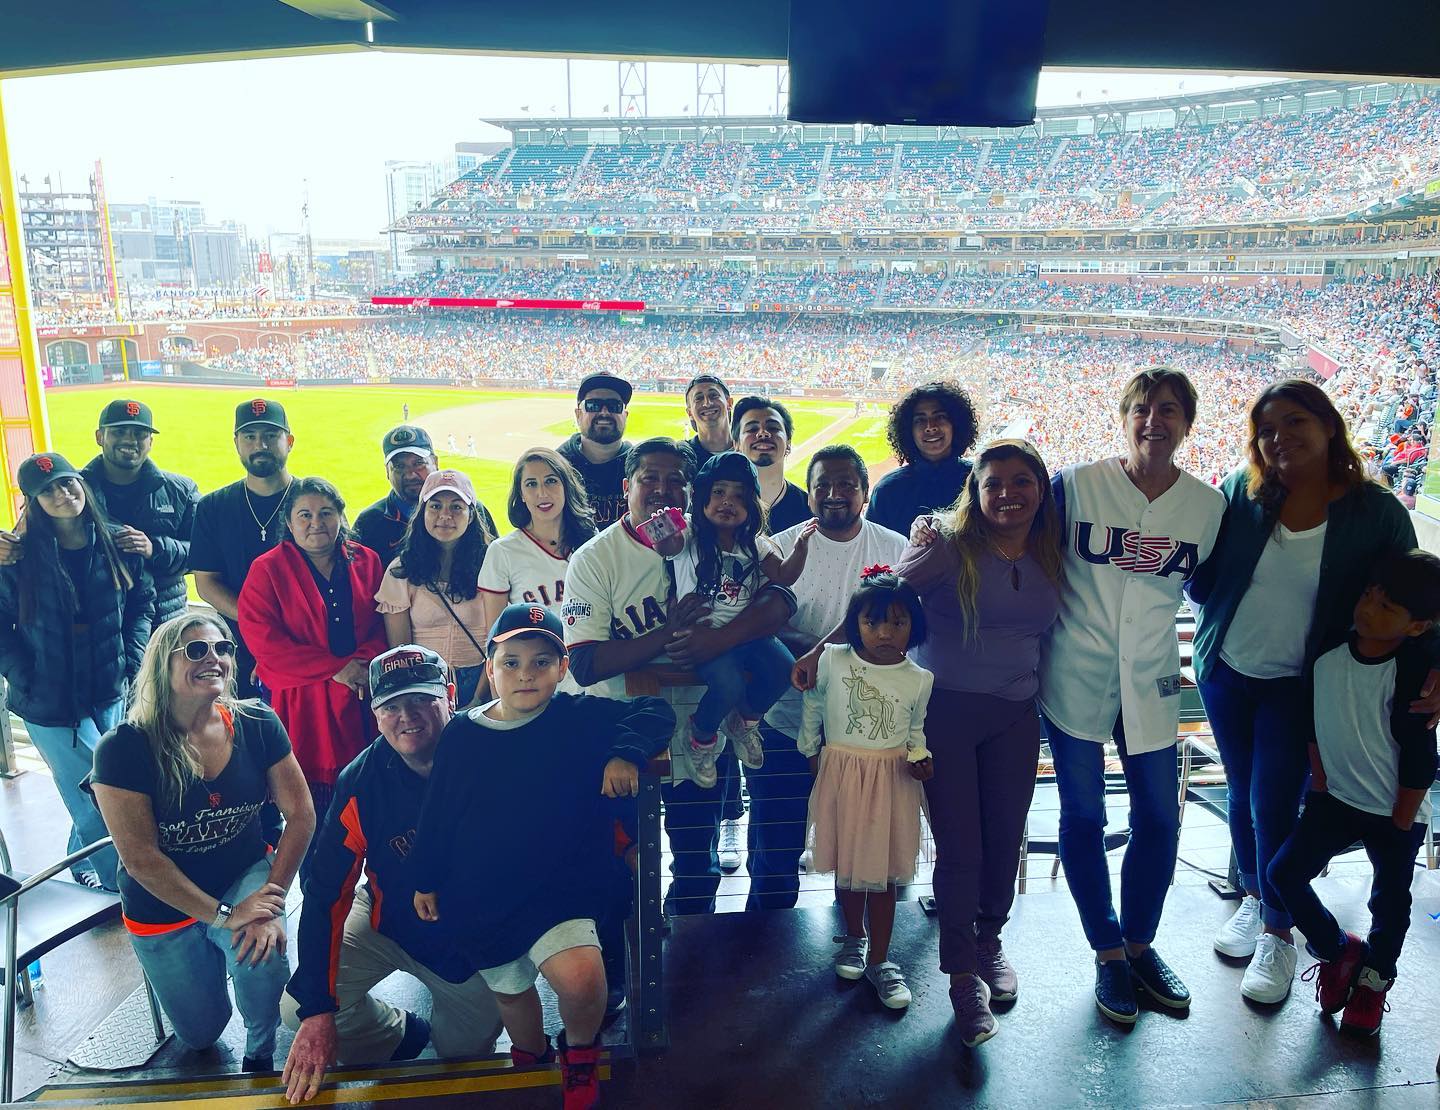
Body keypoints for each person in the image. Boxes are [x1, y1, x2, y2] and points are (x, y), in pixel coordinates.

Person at [1191, 379, 1437, 1005]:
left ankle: (1279, 932)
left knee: (1273, 803)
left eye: (1295, 422)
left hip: (1300, 685)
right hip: (1226, 670)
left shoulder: (1375, 511)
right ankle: (1256, 896)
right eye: (1267, 429)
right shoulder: (1242, 491)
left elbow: (1421, 591)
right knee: (1242, 793)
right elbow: (1204, 576)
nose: (1280, 438)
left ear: (1329, 426)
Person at [411, 604, 673, 1110]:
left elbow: (655, 712)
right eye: (511, 662)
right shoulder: (462, 734)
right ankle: (530, 1055)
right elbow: (438, 812)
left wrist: (625, 752)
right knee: (511, 992)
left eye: (541, 662)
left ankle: (580, 1053)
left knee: (583, 979)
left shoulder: (578, 716)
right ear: (490, 670)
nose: (525, 674)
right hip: (482, 895)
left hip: (560, 888)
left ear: (563, 669)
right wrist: (426, 878)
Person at [1036, 368, 1224, 1025]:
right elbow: (1018, 550)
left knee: (1161, 820)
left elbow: (1208, 589)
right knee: (1083, 817)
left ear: (1187, 423)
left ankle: (1140, 944)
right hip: (1074, 671)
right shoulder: (1075, 485)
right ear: (1123, 418)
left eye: (1168, 409)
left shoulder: (1208, 507)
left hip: (1152, 676)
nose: (1153, 421)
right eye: (1141, 408)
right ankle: (1108, 951)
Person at [562, 438, 796, 916]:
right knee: (621, 860)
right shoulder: (595, 558)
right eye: (649, 478)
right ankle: (627, 955)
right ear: (627, 487)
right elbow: (585, 665)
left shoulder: (712, 532)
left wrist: (721, 638)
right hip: (623, 732)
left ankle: (690, 957)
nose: (662, 489)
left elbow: (783, 599)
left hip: (700, 728)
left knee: (696, 865)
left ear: (692, 491)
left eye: (676, 481)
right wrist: (668, 634)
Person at [886, 439, 1064, 1044]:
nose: (1008, 493)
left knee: (1004, 839)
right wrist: (819, 655)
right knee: (961, 848)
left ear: (1041, 489)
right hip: (945, 715)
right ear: (976, 492)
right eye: (994, 484)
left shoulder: (1052, 547)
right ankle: (962, 977)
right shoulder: (945, 546)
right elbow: (881, 598)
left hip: (1016, 716)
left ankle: (990, 941)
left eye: (1021, 481)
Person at [89, 614, 314, 1074]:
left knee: (263, 954)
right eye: (196, 650)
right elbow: (141, 860)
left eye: (223, 648)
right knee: (201, 1033)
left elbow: (302, 815)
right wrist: (224, 916)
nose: (214, 657)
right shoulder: (123, 748)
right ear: (162, 665)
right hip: (161, 903)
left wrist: (270, 899)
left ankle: (260, 1053)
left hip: (241, 873)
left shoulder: (256, 721)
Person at [280, 645, 503, 1103]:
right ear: (375, 713)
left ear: (450, 695)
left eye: (421, 699)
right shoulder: (361, 780)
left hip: (471, 945)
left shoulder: (494, 751)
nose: (407, 716)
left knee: (463, 1055)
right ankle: (401, 1033)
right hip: (388, 921)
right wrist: (318, 1010)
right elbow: (324, 892)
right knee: (298, 1008)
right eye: (391, 705)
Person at [1268, 551, 1440, 1039]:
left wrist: (1402, 821)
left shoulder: (1413, 671)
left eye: (1387, 608)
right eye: (1369, 596)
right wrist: (1320, 781)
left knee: (1389, 902)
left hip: (1394, 810)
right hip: (1336, 799)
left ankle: (1374, 982)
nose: (1368, 610)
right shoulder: (1328, 652)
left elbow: (1420, 754)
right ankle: (1338, 950)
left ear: (1417, 626)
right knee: (1283, 873)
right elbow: (1313, 721)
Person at [0, 452, 154, 891]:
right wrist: (26, 676)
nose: (62, 493)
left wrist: (131, 659)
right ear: (34, 501)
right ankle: (115, 884)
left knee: (100, 780)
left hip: (108, 689)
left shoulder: (115, 541)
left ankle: (81, 862)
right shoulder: (17, 557)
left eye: (67, 483)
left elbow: (141, 603)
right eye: (48, 490)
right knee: (95, 793)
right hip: (49, 702)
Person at [772, 446, 908, 911]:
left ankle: (862, 937)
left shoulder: (894, 548)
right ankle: (765, 935)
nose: (834, 493)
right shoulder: (781, 547)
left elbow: (903, 627)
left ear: (865, 492)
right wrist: (820, 651)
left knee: (865, 845)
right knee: (776, 844)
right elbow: (760, 623)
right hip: (787, 719)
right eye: (823, 485)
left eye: (847, 484)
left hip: (870, 728)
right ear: (808, 495)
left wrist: (824, 653)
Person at [799, 569, 934, 1011]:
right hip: (842, 778)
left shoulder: (919, 678)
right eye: (872, 622)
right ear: (854, 623)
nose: (884, 632)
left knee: (884, 875)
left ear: (914, 625)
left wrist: (920, 758)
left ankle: (881, 958)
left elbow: (915, 731)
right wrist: (810, 749)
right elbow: (814, 701)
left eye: (897, 622)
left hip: (891, 786)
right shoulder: (833, 660)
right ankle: (854, 938)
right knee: (849, 867)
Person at [238, 477, 389, 835]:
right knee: (314, 817)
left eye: (326, 513)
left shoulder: (366, 561)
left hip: (360, 698)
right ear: (289, 523)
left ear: (341, 516)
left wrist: (359, 667)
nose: (316, 523)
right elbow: (265, 642)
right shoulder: (268, 569)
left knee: (370, 805)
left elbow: (381, 625)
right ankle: (317, 872)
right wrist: (336, 669)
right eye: (304, 514)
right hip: (304, 706)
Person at [671, 451, 815, 782]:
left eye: (739, 496)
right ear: (703, 497)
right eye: (719, 492)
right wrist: (664, 525)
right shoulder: (690, 532)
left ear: (752, 505)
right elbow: (667, 545)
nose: (727, 502)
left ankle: (745, 721)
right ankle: (700, 735)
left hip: (748, 636)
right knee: (728, 685)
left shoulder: (755, 544)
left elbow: (784, 576)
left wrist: (801, 548)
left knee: (784, 668)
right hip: (702, 634)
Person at [191, 398, 295, 698]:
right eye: (250, 436)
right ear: (236, 443)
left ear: (289, 442)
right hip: (236, 651)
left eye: (271, 435)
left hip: (306, 646)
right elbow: (206, 583)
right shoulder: (213, 507)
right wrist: (262, 625)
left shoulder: (313, 502)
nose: (260, 445)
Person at [61, 398, 196, 627]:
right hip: (93, 620)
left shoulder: (181, 490)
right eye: (119, 431)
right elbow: (35, 536)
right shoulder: (68, 489)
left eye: (140, 434)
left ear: (150, 441)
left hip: (163, 620)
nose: (129, 440)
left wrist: (154, 548)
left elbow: (204, 553)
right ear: (99, 437)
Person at [478, 447, 596, 694]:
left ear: (566, 486)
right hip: (537, 684)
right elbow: (496, 640)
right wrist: (500, 702)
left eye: (551, 481)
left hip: (592, 678)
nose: (542, 493)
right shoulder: (503, 551)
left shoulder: (592, 542)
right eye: (531, 484)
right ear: (521, 494)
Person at [376, 469, 493, 707]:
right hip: (424, 683)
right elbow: (402, 651)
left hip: (483, 680)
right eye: (435, 506)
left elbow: (498, 643)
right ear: (422, 513)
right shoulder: (401, 570)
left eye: (456, 507)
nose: (445, 515)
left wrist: (479, 698)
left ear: (471, 515)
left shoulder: (491, 566)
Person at [353, 424, 500, 566]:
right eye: (399, 466)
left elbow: (497, 566)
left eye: (419, 463)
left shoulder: (473, 510)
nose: (410, 475)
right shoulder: (369, 522)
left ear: (435, 462)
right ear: (387, 471)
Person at [866, 381, 980, 537]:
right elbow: (873, 545)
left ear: (956, 424)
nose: (930, 426)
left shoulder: (980, 480)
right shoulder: (887, 490)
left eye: (940, 417)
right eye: (920, 420)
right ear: (908, 431)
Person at [559, 372, 633, 531]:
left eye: (614, 406)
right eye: (593, 405)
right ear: (578, 414)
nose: (604, 412)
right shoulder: (558, 465)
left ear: (625, 415)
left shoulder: (640, 466)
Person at [732, 396, 811, 535]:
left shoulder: (810, 510)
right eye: (752, 429)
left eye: (773, 428)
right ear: (736, 444)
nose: (763, 433)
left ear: (788, 443)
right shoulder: (718, 509)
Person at [684, 374, 734, 469]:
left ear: (729, 403)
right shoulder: (682, 458)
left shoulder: (752, 451)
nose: (707, 403)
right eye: (699, 398)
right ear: (690, 413)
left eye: (713, 395)